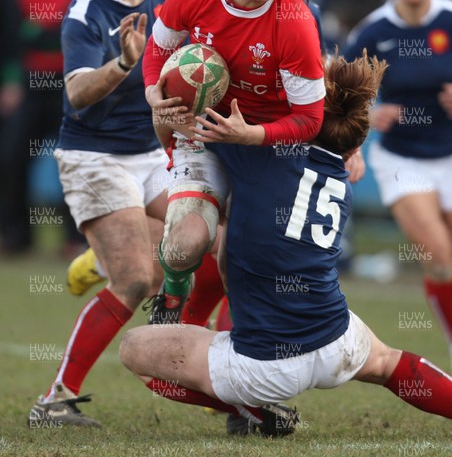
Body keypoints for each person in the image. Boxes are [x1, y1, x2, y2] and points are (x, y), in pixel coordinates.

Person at [120, 55, 452, 432]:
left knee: (135, 349)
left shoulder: (262, 154)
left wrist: (168, 95)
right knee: (390, 363)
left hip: (264, 366)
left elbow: (184, 132)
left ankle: (255, 410)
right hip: (336, 338)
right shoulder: (338, 177)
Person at [28, 0, 172, 428]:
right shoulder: (86, 11)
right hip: (95, 157)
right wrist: (122, 64)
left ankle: (241, 391)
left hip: (153, 151)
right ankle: (55, 400)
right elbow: (77, 92)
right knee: (136, 279)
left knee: (225, 243)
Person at [142, 0, 325, 325]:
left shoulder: (295, 23)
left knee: (242, 270)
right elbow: (159, 47)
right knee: (185, 244)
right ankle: (172, 294)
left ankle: (244, 371)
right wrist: (153, 91)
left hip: (269, 147)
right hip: (205, 133)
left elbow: (310, 120)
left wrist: (253, 136)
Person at [344, 0, 452, 366]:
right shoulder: (372, 32)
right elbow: (339, 101)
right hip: (402, 160)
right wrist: (368, 114)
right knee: (441, 259)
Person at [0, 0, 82, 255]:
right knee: (14, 157)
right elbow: (17, 39)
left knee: (72, 160)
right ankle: (17, 235)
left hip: (69, 84)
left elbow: (62, 34)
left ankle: (75, 237)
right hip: (32, 85)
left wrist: (42, 31)